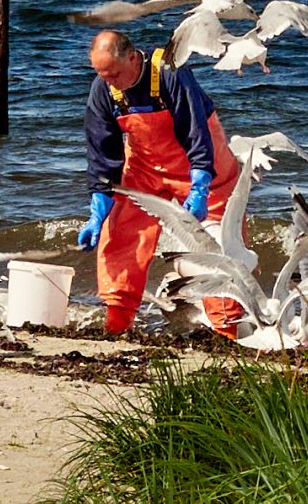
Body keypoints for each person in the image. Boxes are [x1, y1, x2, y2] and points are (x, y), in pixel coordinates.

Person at [78, 29, 243, 335]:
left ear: (132, 57)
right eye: (101, 74)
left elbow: (196, 132)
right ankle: (118, 319)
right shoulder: (103, 89)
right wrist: (98, 207)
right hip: (145, 166)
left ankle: (227, 327)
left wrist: (200, 186)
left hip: (203, 163)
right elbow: (102, 151)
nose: (108, 80)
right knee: (120, 231)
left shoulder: (169, 71)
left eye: (113, 73)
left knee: (221, 243)